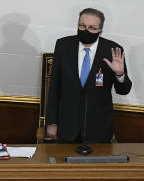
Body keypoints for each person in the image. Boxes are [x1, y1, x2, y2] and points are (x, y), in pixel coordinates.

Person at [45, 8, 131, 144]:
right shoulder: (63, 45)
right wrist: (51, 123)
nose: (86, 30)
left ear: (100, 31)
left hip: (98, 129)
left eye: (92, 28)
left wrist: (119, 73)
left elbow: (123, 90)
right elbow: (54, 87)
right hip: (66, 127)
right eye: (82, 26)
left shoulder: (113, 50)